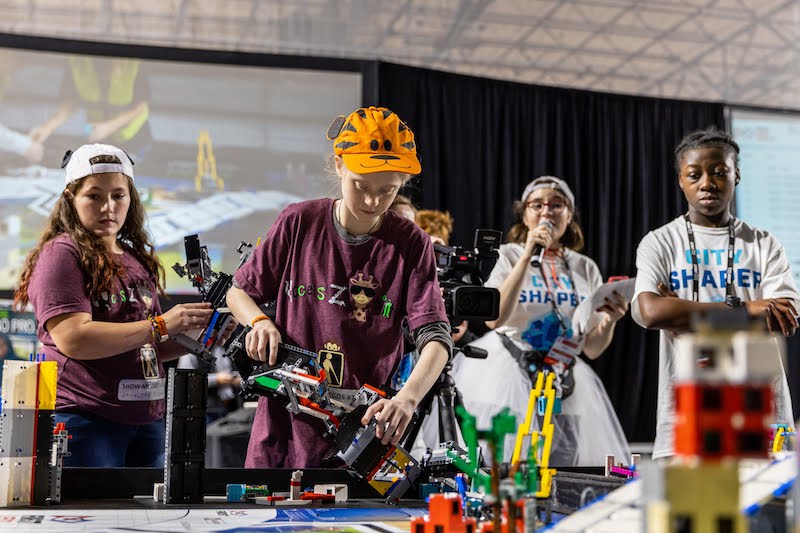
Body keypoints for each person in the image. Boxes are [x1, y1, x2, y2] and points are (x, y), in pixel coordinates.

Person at [226, 106, 452, 468]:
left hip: (360, 433)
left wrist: (407, 399)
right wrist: (258, 322)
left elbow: (436, 337)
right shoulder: (298, 222)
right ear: (339, 165)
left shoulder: (411, 243)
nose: (372, 202)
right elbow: (238, 292)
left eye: (388, 191)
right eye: (360, 186)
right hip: (284, 430)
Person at [13, 143, 213, 467]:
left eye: (118, 195)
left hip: (147, 419)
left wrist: (205, 335)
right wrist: (161, 325)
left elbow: (150, 345)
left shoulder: (134, 258)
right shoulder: (62, 253)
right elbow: (73, 338)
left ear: (131, 199)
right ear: (70, 198)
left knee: (149, 518)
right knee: (92, 517)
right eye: (94, 195)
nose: (108, 206)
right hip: (85, 417)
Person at [632, 127, 798, 462]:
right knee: (690, 512)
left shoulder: (765, 244)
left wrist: (685, 315)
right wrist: (747, 308)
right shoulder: (660, 242)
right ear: (681, 180)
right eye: (694, 175)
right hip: (686, 411)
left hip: (761, 411)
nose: (707, 183)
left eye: (719, 172)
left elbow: (783, 321)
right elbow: (651, 313)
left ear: (736, 175)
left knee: (768, 514)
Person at [451, 176, 630, 466]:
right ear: (524, 214)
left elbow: (593, 348)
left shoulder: (585, 267)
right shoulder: (507, 254)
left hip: (563, 371)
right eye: (537, 205)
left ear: (570, 215)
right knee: (507, 461)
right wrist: (527, 256)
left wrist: (609, 319)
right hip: (508, 369)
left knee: (563, 461)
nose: (547, 212)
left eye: (557, 205)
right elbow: (494, 320)